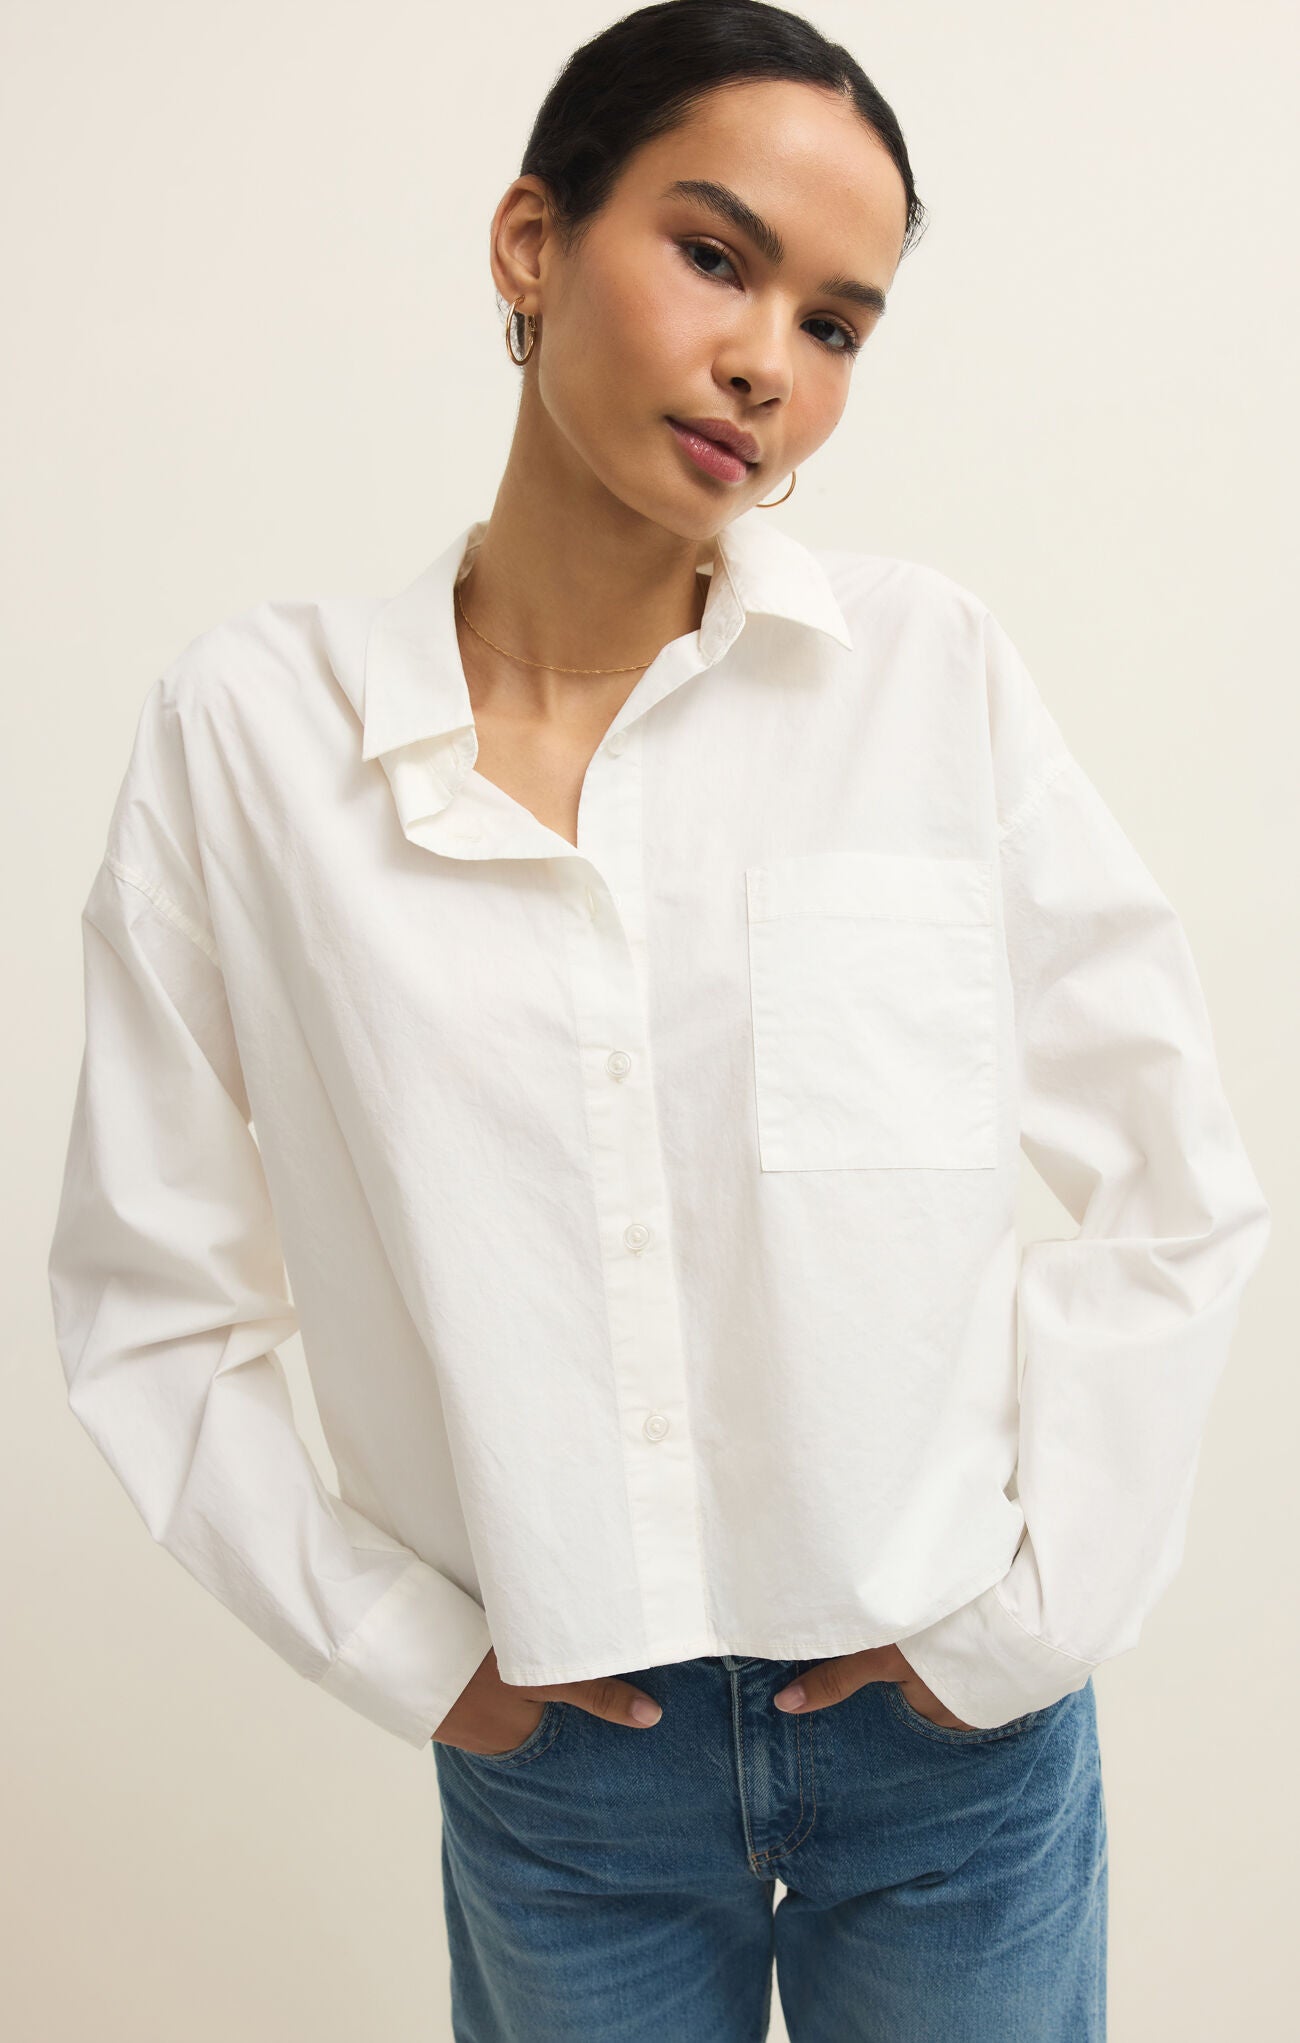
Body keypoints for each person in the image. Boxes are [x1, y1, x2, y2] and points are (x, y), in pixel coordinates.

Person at [47, 2, 1271, 2038]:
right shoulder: (255, 737)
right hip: (562, 1769)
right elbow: (148, 1288)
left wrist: (1015, 1619)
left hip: (949, 1745)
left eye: (838, 322)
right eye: (714, 255)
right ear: (530, 240)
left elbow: (1173, 1180)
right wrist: (404, 1644)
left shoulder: (922, 679)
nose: (764, 364)